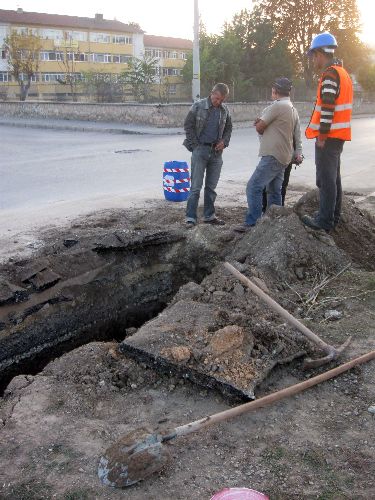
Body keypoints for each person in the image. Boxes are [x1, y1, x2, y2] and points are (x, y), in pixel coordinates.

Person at [234, 77, 303, 232]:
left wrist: (259, 123)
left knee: (253, 187)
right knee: (274, 190)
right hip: (284, 156)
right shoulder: (292, 107)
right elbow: (296, 133)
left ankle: (253, 223)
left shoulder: (277, 106)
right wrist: (298, 152)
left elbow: (260, 128)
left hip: (272, 155)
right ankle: (275, 223)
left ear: (275, 91)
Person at [302, 32, 353, 232]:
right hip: (338, 136)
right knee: (334, 178)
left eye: (314, 55)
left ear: (322, 53)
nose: (314, 60)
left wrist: (321, 137)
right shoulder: (343, 73)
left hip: (329, 137)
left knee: (326, 179)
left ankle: (324, 222)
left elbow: (328, 107)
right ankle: (332, 216)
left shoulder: (331, 74)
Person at [183, 83, 232, 228]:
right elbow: (188, 126)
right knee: (196, 187)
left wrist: (224, 141)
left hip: (217, 153)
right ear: (212, 93)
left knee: (211, 188)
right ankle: (191, 218)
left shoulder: (225, 110)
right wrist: (195, 146)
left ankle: (209, 216)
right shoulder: (198, 106)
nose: (218, 102)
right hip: (200, 151)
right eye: (217, 99)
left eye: (222, 100)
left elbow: (229, 128)